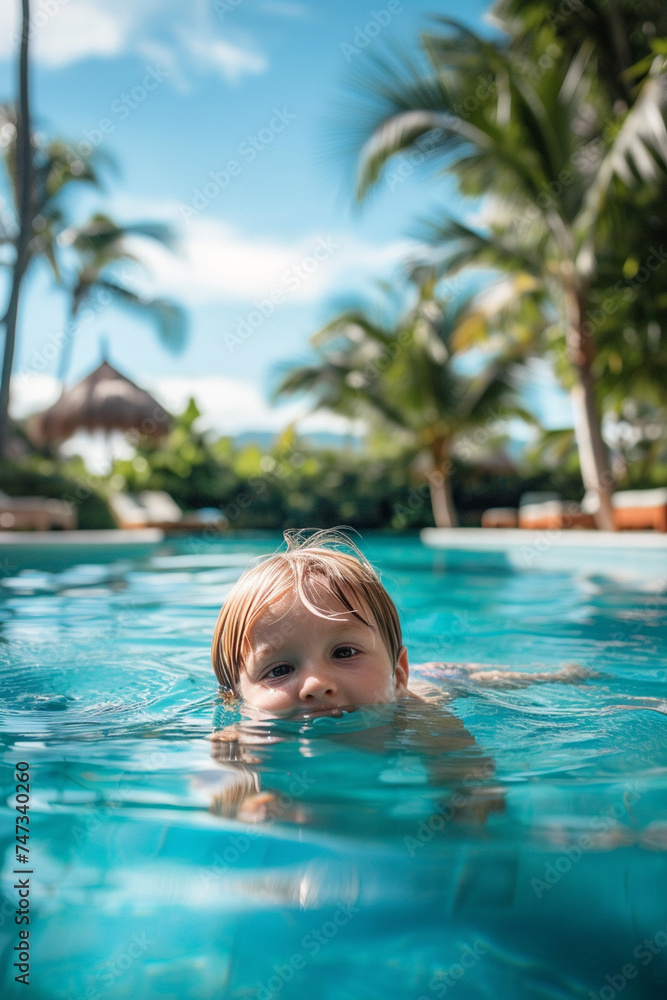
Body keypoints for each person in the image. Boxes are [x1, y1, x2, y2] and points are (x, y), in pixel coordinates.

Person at [207, 528, 589, 824]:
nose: (316, 684)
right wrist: (241, 798)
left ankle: (557, 675)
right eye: (280, 670)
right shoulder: (234, 737)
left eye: (344, 652)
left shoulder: (420, 716)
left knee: (489, 679)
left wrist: (468, 806)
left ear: (398, 674)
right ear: (235, 698)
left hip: (440, 680)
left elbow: (463, 771)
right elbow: (215, 788)